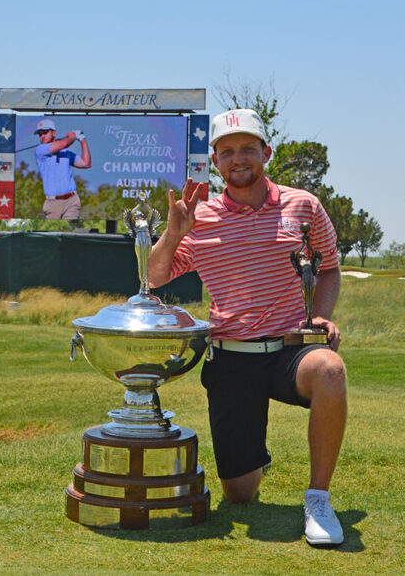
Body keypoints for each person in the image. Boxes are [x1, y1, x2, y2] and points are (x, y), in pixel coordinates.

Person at [147, 108, 348, 547]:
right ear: (215, 161)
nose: (239, 159)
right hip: (232, 357)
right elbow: (157, 275)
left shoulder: (303, 206)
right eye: (227, 151)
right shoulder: (199, 217)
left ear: (266, 153)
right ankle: (254, 457)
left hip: (291, 347)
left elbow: (330, 269)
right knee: (241, 495)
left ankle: (318, 498)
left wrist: (322, 314)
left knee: (330, 370)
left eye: (248, 149)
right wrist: (174, 233)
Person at [32, 118, 92, 220]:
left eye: (45, 133)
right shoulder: (40, 150)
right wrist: (73, 135)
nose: (42, 137)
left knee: (69, 231)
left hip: (72, 201)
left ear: (54, 133)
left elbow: (86, 163)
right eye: (40, 134)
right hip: (52, 203)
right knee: (53, 233)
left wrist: (82, 139)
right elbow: (64, 143)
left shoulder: (65, 153)